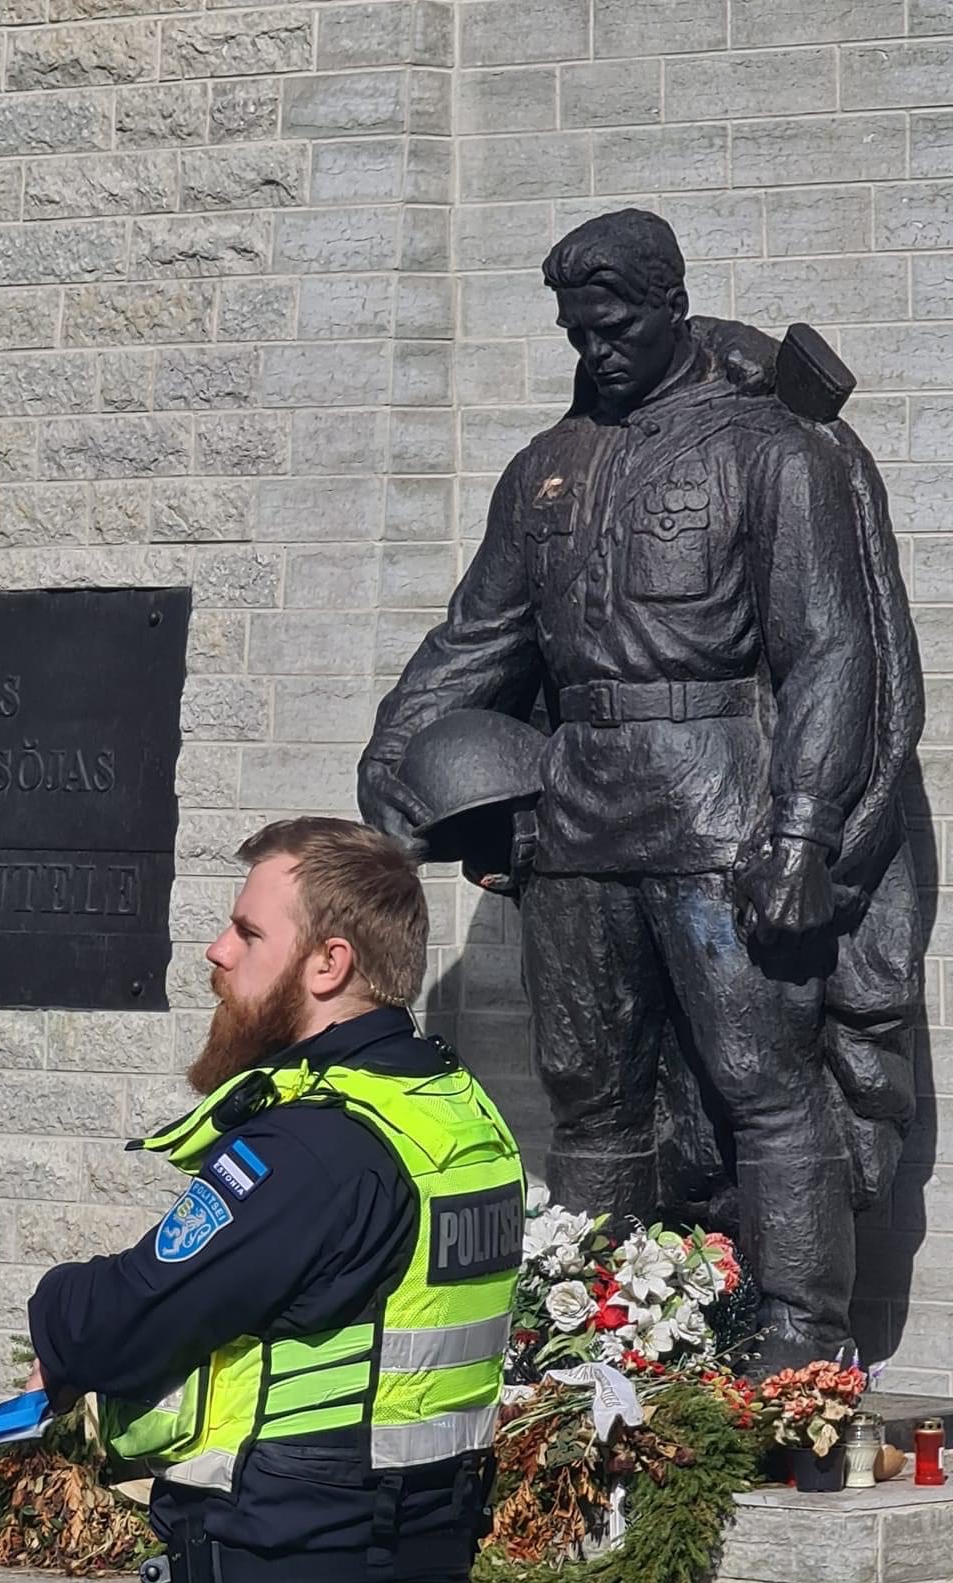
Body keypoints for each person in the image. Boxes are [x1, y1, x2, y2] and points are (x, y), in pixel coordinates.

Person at [358, 207, 924, 1371]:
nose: (594, 352)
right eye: (577, 332)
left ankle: (799, 1345)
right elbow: (478, 637)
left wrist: (805, 827)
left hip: (723, 805)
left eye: (613, 326)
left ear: (669, 306)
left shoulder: (771, 449)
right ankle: (604, 1331)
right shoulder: (547, 466)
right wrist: (394, 758)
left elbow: (829, 651)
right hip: (577, 813)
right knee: (591, 1089)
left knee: (764, 1080)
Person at [25, 816, 523, 1583]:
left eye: (248, 930)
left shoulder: (317, 1147)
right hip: (397, 1581)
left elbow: (126, 1315)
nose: (216, 950)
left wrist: (59, 1305)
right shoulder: (447, 1107)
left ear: (329, 963)